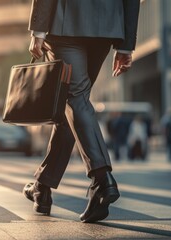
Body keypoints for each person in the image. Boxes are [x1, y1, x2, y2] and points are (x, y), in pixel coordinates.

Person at [23, 0, 140, 223]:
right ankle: (42, 186)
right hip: (106, 25)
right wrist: (125, 45)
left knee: (75, 99)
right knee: (74, 105)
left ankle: (102, 180)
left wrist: (38, 30)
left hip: (66, 22)